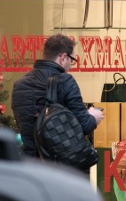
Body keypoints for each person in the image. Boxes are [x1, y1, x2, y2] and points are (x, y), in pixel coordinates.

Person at [11, 34, 104, 169]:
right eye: (71, 60)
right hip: (59, 169)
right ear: (62, 58)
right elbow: (84, 126)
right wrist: (93, 116)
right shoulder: (65, 81)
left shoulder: (19, 85)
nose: (71, 66)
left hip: (29, 166)